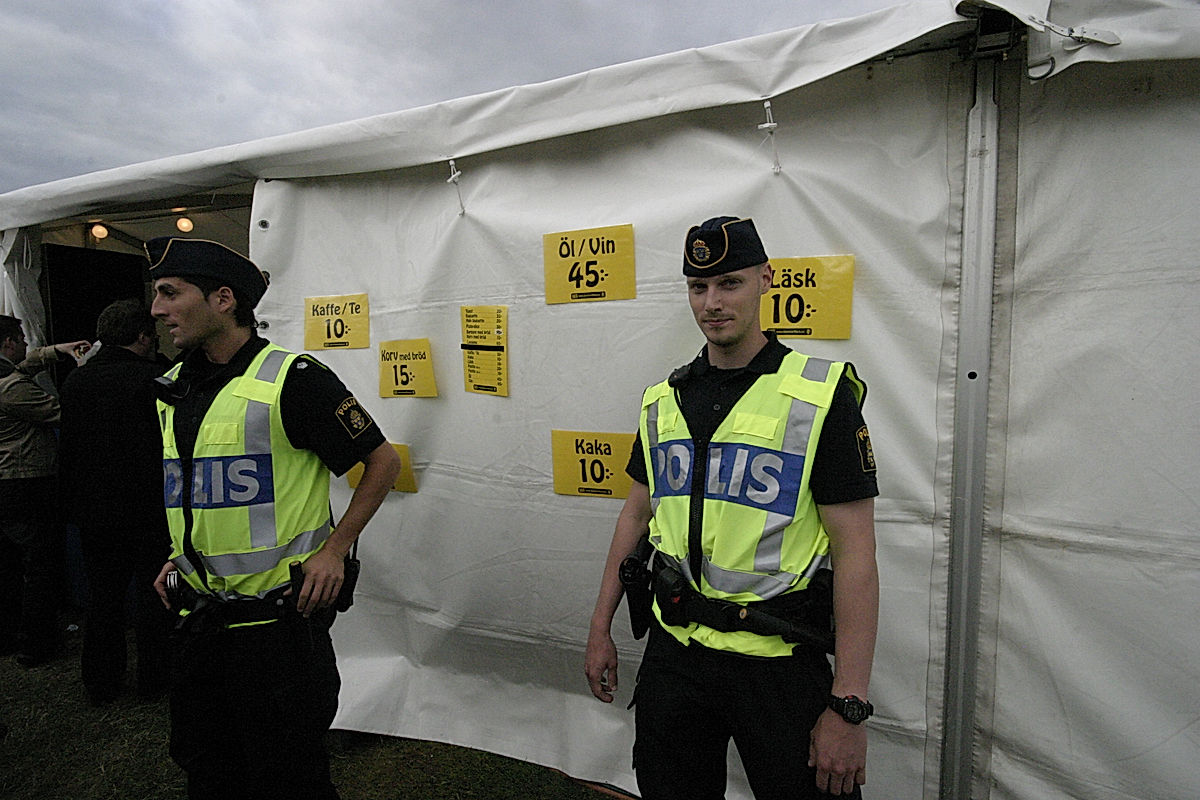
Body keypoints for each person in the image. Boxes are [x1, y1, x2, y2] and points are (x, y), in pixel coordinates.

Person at [584, 217, 880, 799]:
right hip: (677, 653)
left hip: (778, 660)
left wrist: (848, 704)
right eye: (699, 287)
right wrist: (599, 628)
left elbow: (857, 558)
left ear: (766, 280)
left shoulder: (820, 398)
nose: (712, 302)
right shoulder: (662, 400)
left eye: (729, 283)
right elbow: (635, 515)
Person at [145, 237, 402, 800]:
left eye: (170, 293)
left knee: (288, 776)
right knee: (207, 769)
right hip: (200, 626)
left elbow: (382, 461)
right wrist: (182, 554)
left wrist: (335, 549)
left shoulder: (294, 379)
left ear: (223, 299)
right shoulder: (175, 388)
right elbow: (203, 492)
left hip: (276, 635)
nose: (157, 310)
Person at [59, 299, 174, 704]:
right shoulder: (155, 380)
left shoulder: (77, 381)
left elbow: (68, 452)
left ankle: (101, 682)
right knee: (153, 595)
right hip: (145, 508)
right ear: (143, 336)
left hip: (94, 511)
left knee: (102, 599)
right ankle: (155, 679)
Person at [0, 315, 89, 667]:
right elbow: (65, 414)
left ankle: (8, 636)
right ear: (8, 341)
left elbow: (22, 367)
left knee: (7, 564)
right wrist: (83, 371)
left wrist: (55, 351)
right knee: (40, 566)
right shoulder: (10, 388)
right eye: (20, 338)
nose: (25, 345)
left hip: (6, 483)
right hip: (26, 482)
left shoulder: (8, 378)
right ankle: (37, 644)